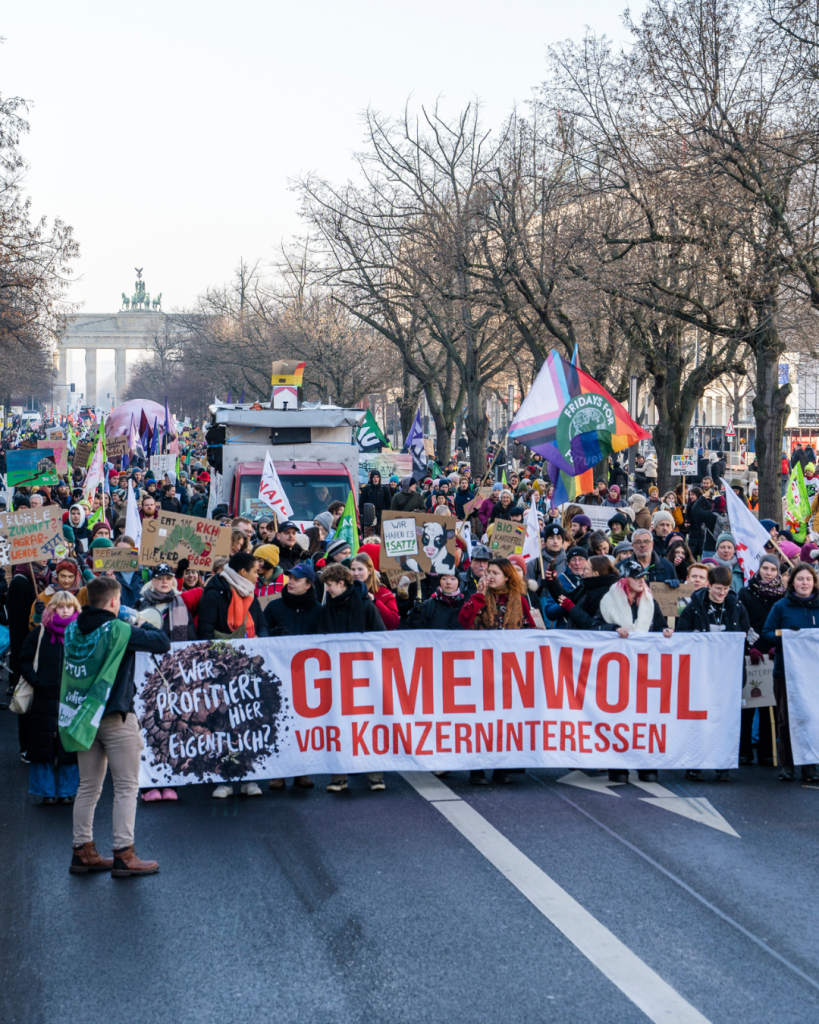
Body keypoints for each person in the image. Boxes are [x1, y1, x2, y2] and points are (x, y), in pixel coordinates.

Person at [68, 575, 171, 876]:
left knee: (88, 787)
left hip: (82, 717)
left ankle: (82, 852)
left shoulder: (74, 628)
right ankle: (124, 854)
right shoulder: (119, 628)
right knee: (126, 787)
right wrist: (138, 618)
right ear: (115, 601)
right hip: (115, 715)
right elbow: (162, 643)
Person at [593, 559, 673, 785]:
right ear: (625, 579)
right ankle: (618, 766)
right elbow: (595, 626)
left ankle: (646, 765)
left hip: (645, 670)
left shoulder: (650, 600)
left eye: (643, 577)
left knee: (645, 718)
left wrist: (665, 630)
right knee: (618, 719)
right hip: (616, 671)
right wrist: (613, 629)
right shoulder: (608, 601)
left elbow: (658, 625)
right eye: (636, 577)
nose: (641, 581)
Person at [676, 564, 750, 781]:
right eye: (718, 588)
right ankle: (694, 764)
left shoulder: (736, 605)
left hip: (727, 673)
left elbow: (745, 635)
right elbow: (682, 633)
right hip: (700, 672)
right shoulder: (692, 604)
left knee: (724, 719)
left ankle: (722, 764)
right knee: (697, 720)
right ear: (709, 584)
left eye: (725, 588)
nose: (721, 593)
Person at [320, 563, 386, 794]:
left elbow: (380, 639)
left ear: (341, 583)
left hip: (363, 676)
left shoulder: (366, 607)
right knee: (337, 726)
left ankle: (375, 775)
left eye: (329, 585)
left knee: (367, 725)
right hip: (336, 675)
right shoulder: (326, 607)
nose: (326, 590)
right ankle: (339, 777)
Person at [19, 592, 81, 805]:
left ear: (75, 609)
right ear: (51, 609)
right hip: (44, 697)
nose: (64, 610)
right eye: (59, 607)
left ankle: (67, 791)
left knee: (69, 746)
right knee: (42, 745)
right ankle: (45, 791)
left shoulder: (81, 633)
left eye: (69, 607)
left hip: (71, 697)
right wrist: (37, 681)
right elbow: (24, 659)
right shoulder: (40, 633)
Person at [761, 562, 819, 782]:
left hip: (815, 674)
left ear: (814, 582)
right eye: (800, 579)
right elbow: (766, 634)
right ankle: (787, 765)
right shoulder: (781, 607)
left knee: (813, 718)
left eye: (808, 579)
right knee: (786, 719)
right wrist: (784, 635)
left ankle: (810, 765)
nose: (804, 583)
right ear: (792, 582)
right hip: (786, 672)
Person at [738, 555, 783, 766]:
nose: (768, 572)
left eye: (772, 569)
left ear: (778, 573)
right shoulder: (746, 592)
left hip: (773, 653)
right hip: (751, 653)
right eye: (765, 568)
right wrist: (751, 647)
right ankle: (744, 751)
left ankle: (767, 751)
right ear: (759, 569)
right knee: (747, 704)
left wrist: (777, 647)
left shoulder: (783, 596)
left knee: (769, 706)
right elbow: (742, 622)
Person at [551, 555, 618, 630]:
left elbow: (593, 625)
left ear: (595, 573)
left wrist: (572, 608)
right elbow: (566, 599)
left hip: (587, 639)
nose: (583, 571)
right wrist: (553, 581)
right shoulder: (587, 585)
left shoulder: (606, 593)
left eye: (586, 569)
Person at [351, 552, 400, 629]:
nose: (356, 573)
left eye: (360, 569)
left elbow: (393, 623)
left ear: (370, 571)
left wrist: (374, 601)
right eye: (353, 569)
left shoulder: (384, 593)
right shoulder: (346, 591)